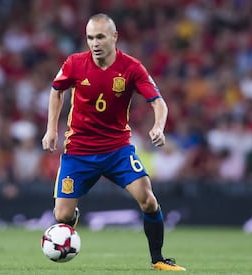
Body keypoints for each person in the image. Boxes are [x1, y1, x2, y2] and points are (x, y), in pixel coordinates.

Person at [42, 13, 185, 271]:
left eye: (100, 37)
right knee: (61, 216)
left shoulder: (132, 67)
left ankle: (158, 259)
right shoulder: (74, 63)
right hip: (78, 151)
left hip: (117, 150)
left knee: (148, 199)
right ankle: (71, 219)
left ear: (114, 37)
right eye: (89, 37)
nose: (94, 43)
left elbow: (158, 102)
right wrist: (51, 129)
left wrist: (158, 127)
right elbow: (56, 90)